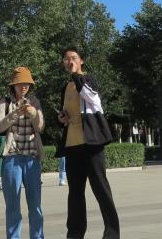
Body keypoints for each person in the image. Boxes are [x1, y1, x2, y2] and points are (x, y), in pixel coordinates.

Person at [57, 47, 120, 239]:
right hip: (72, 144)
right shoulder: (66, 86)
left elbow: (92, 98)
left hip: (91, 143)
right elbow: (66, 111)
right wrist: (62, 117)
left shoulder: (88, 79)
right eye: (66, 59)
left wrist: (77, 76)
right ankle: (74, 233)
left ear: (81, 61)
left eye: (74, 58)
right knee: (75, 193)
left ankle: (112, 234)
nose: (70, 61)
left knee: (101, 189)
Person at [0, 67, 46, 239]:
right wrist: (14, 115)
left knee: (35, 206)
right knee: (13, 207)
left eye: (27, 84)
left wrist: (34, 114)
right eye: (20, 83)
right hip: (11, 158)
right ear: (13, 85)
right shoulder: (4, 103)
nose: (24, 86)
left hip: (32, 159)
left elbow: (40, 127)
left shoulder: (35, 102)